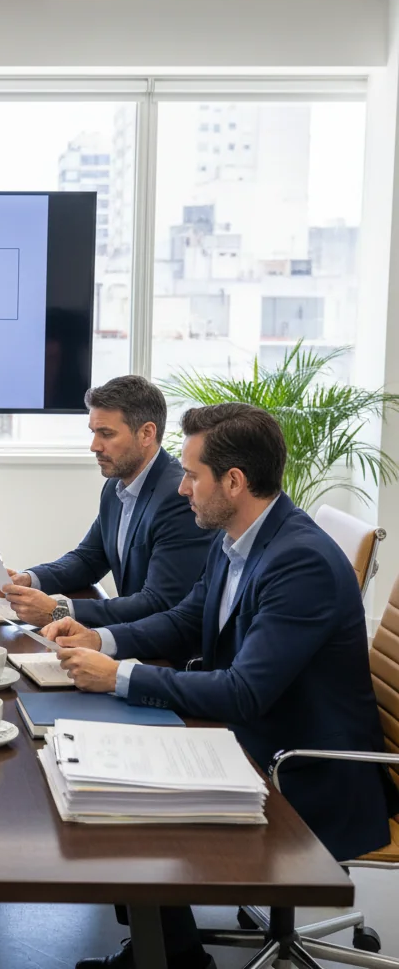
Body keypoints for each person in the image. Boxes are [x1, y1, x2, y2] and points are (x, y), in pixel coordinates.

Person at [43, 403, 399, 969]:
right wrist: (99, 641)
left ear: (233, 483)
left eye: (191, 474)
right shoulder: (237, 535)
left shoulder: (297, 561)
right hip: (259, 735)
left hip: (307, 770)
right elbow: (186, 618)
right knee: (108, 769)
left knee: (129, 800)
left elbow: (243, 693)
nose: (180, 488)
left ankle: (174, 957)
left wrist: (122, 676)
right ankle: (165, 947)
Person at [0, 375, 213, 628]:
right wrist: (29, 579)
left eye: (106, 434)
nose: (94, 446)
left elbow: (160, 603)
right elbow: (89, 559)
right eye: (93, 433)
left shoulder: (177, 497)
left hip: (164, 651)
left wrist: (58, 610)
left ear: (146, 433)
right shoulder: (116, 485)